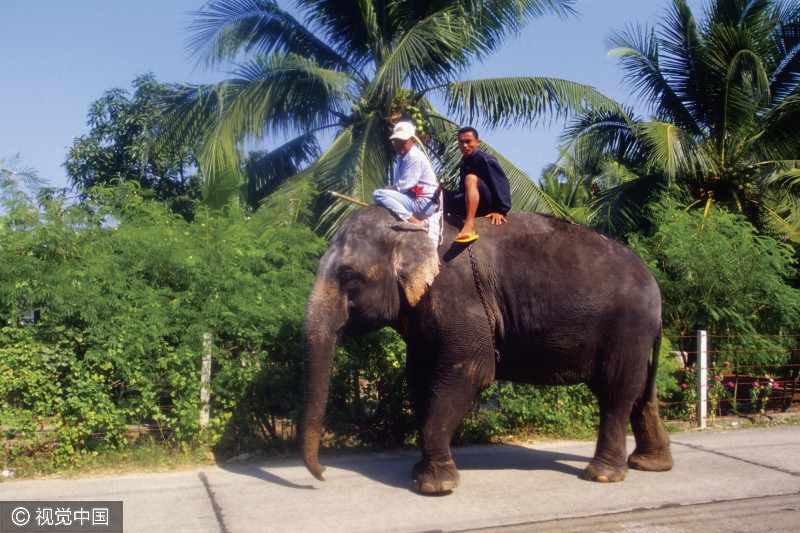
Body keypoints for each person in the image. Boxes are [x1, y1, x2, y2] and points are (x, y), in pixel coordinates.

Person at [372, 122, 441, 241]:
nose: (398, 144)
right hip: (412, 200)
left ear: (413, 141)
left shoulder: (414, 156)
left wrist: (387, 189)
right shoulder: (400, 157)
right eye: (396, 141)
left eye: (402, 141)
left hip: (424, 203)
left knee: (377, 194)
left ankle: (413, 221)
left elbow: (403, 187)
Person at [443, 127, 511, 243]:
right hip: (466, 200)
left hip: (484, 203)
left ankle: (469, 225)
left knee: (471, 178)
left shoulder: (485, 159)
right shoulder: (465, 161)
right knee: (438, 192)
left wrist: (500, 210)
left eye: (468, 141)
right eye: (461, 142)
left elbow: (502, 183)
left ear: (477, 142)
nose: (464, 145)